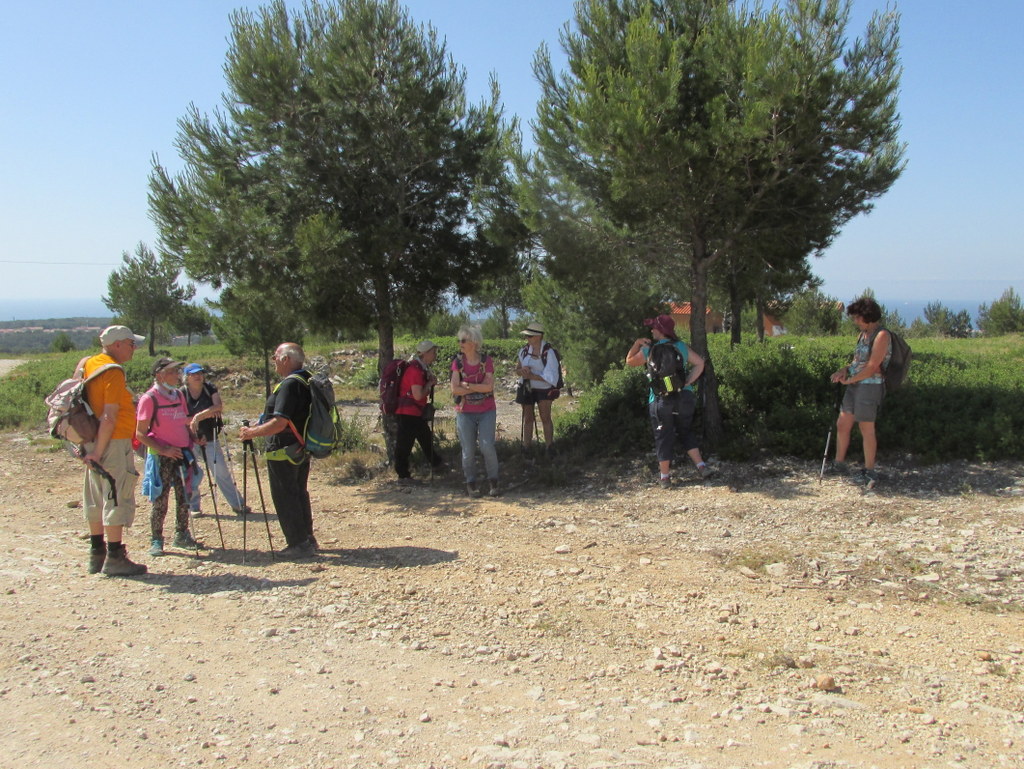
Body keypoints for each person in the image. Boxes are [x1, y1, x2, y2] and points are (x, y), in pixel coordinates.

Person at [80, 325, 149, 576]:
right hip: (112, 441)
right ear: (117, 344)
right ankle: (115, 557)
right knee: (116, 494)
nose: (134, 348)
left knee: (96, 496)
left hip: (91, 438)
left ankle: (96, 553)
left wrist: (92, 450)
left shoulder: (89, 363)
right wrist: (99, 451)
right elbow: (109, 416)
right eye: (131, 343)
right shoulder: (113, 371)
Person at [238, 342, 316, 558]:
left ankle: (298, 543)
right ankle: (307, 538)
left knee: (285, 495)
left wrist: (251, 433)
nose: (273, 361)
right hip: (301, 446)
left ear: (285, 359)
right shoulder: (307, 379)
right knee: (299, 492)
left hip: (283, 449)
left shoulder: (290, 385)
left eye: (275, 357)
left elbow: (279, 423)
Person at [625, 314, 715, 488]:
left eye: (653, 328)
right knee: (686, 430)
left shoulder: (649, 350)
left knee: (663, 436)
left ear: (659, 331)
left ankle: (665, 477)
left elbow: (629, 362)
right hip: (684, 396)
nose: (651, 330)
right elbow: (700, 363)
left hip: (660, 399)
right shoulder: (680, 346)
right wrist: (688, 381)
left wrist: (637, 343)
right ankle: (702, 467)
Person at [136, 358, 201, 556]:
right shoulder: (149, 399)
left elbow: (183, 422)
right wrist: (164, 450)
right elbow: (140, 434)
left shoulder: (178, 395)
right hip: (162, 457)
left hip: (182, 454)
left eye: (177, 371)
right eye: (172, 371)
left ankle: (182, 534)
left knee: (184, 497)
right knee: (160, 499)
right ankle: (156, 540)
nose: (177, 375)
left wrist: (195, 437)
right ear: (160, 375)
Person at [828, 296, 892, 487]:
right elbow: (858, 362)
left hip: (870, 386)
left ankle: (869, 470)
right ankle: (839, 463)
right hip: (856, 384)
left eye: (857, 317)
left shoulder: (881, 335)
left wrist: (850, 380)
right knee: (843, 423)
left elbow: (873, 367)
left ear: (867, 316)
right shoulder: (863, 335)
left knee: (866, 427)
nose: (855, 321)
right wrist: (844, 371)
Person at [181, 363, 249, 515]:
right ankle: (193, 506)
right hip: (190, 439)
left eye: (199, 373)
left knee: (222, 472)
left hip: (210, 435)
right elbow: (181, 419)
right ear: (187, 377)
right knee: (192, 473)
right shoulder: (182, 393)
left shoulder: (209, 388)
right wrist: (199, 422)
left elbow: (218, 407)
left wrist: (197, 417)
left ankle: (237, 504)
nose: (198, 376)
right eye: (193, 374)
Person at [451, 325, 500, 497]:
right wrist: (478, 389)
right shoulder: (457, 362)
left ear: (474, 342)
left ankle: (494, 481)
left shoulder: (486, 361)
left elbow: (489, 387)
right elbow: (455, 389)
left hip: (486, 410)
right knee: (468, 450)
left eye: (463, 340)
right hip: (465, 412)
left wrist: (469, 386)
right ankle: (470, 483)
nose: (460, 344)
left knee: (487, 446)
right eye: (459, 340)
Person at [394, 340, 445, 483]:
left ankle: (436, 464)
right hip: (408, 412)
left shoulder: (420, 368)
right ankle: (403, 475)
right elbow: (417, 395)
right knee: (405, 444)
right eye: (433, 352)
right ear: (425, 353)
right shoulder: (415, 370)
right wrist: (429, 384)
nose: (435, 355)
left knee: (424, 437)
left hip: (413, 412)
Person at [514, 321, 560, 455]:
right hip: (527, 387)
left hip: (544, 389)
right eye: (527, 336)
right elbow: (517, 369)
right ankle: (526, 447)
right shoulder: (523, 351)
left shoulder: (549, 353)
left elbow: (552, 376)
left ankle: (549, 447)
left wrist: (532, 376)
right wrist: (522, 372)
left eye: (530, 336)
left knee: (545, 417)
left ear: (538, 336)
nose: (527, 339)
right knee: (528, 418)